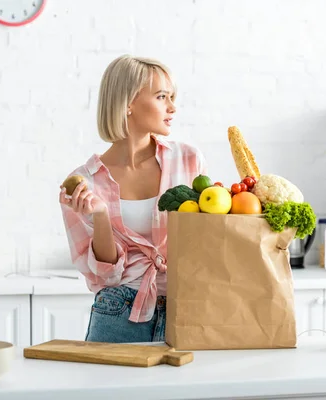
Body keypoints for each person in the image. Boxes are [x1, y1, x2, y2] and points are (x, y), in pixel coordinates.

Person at [59, 55, 207, 343]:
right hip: (119, 310)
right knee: (111, 389)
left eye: (172, 97)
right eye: (162, 96)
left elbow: (204, 238)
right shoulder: (83, 183)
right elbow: (105, 276)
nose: (172, 107)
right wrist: (100, 217)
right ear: (128, 102)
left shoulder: (187, 159)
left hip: (187, 306)